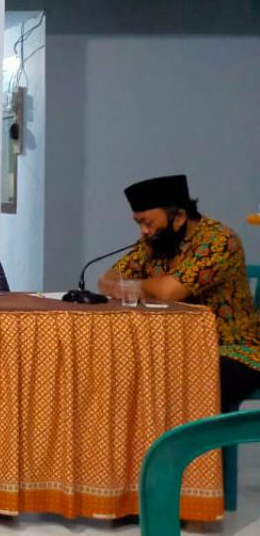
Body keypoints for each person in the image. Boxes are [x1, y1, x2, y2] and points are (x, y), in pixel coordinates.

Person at [101, 174, 260, 411]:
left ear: (179, 218)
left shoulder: (219, 241)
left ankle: (194, 438)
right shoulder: (155, 242)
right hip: (178, 348)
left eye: (148, 222)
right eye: (139, 223)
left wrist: (133, 286)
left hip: (233, 349)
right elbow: (107, 279)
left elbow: (169, 291)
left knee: (186, 382)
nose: (144, 231)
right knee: (120, 367)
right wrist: (125, 286)